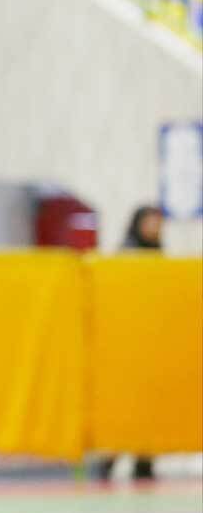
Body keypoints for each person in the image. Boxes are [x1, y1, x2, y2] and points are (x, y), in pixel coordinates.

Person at [96, 204, 164, 482]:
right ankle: (108, 461)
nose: (156, 227)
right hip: (127, 347)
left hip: (150, 346)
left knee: (150, 407)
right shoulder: (127, 254)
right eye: (151, 222)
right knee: (125, 407)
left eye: (158, 222)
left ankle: (144, 461)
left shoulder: (158, 254)